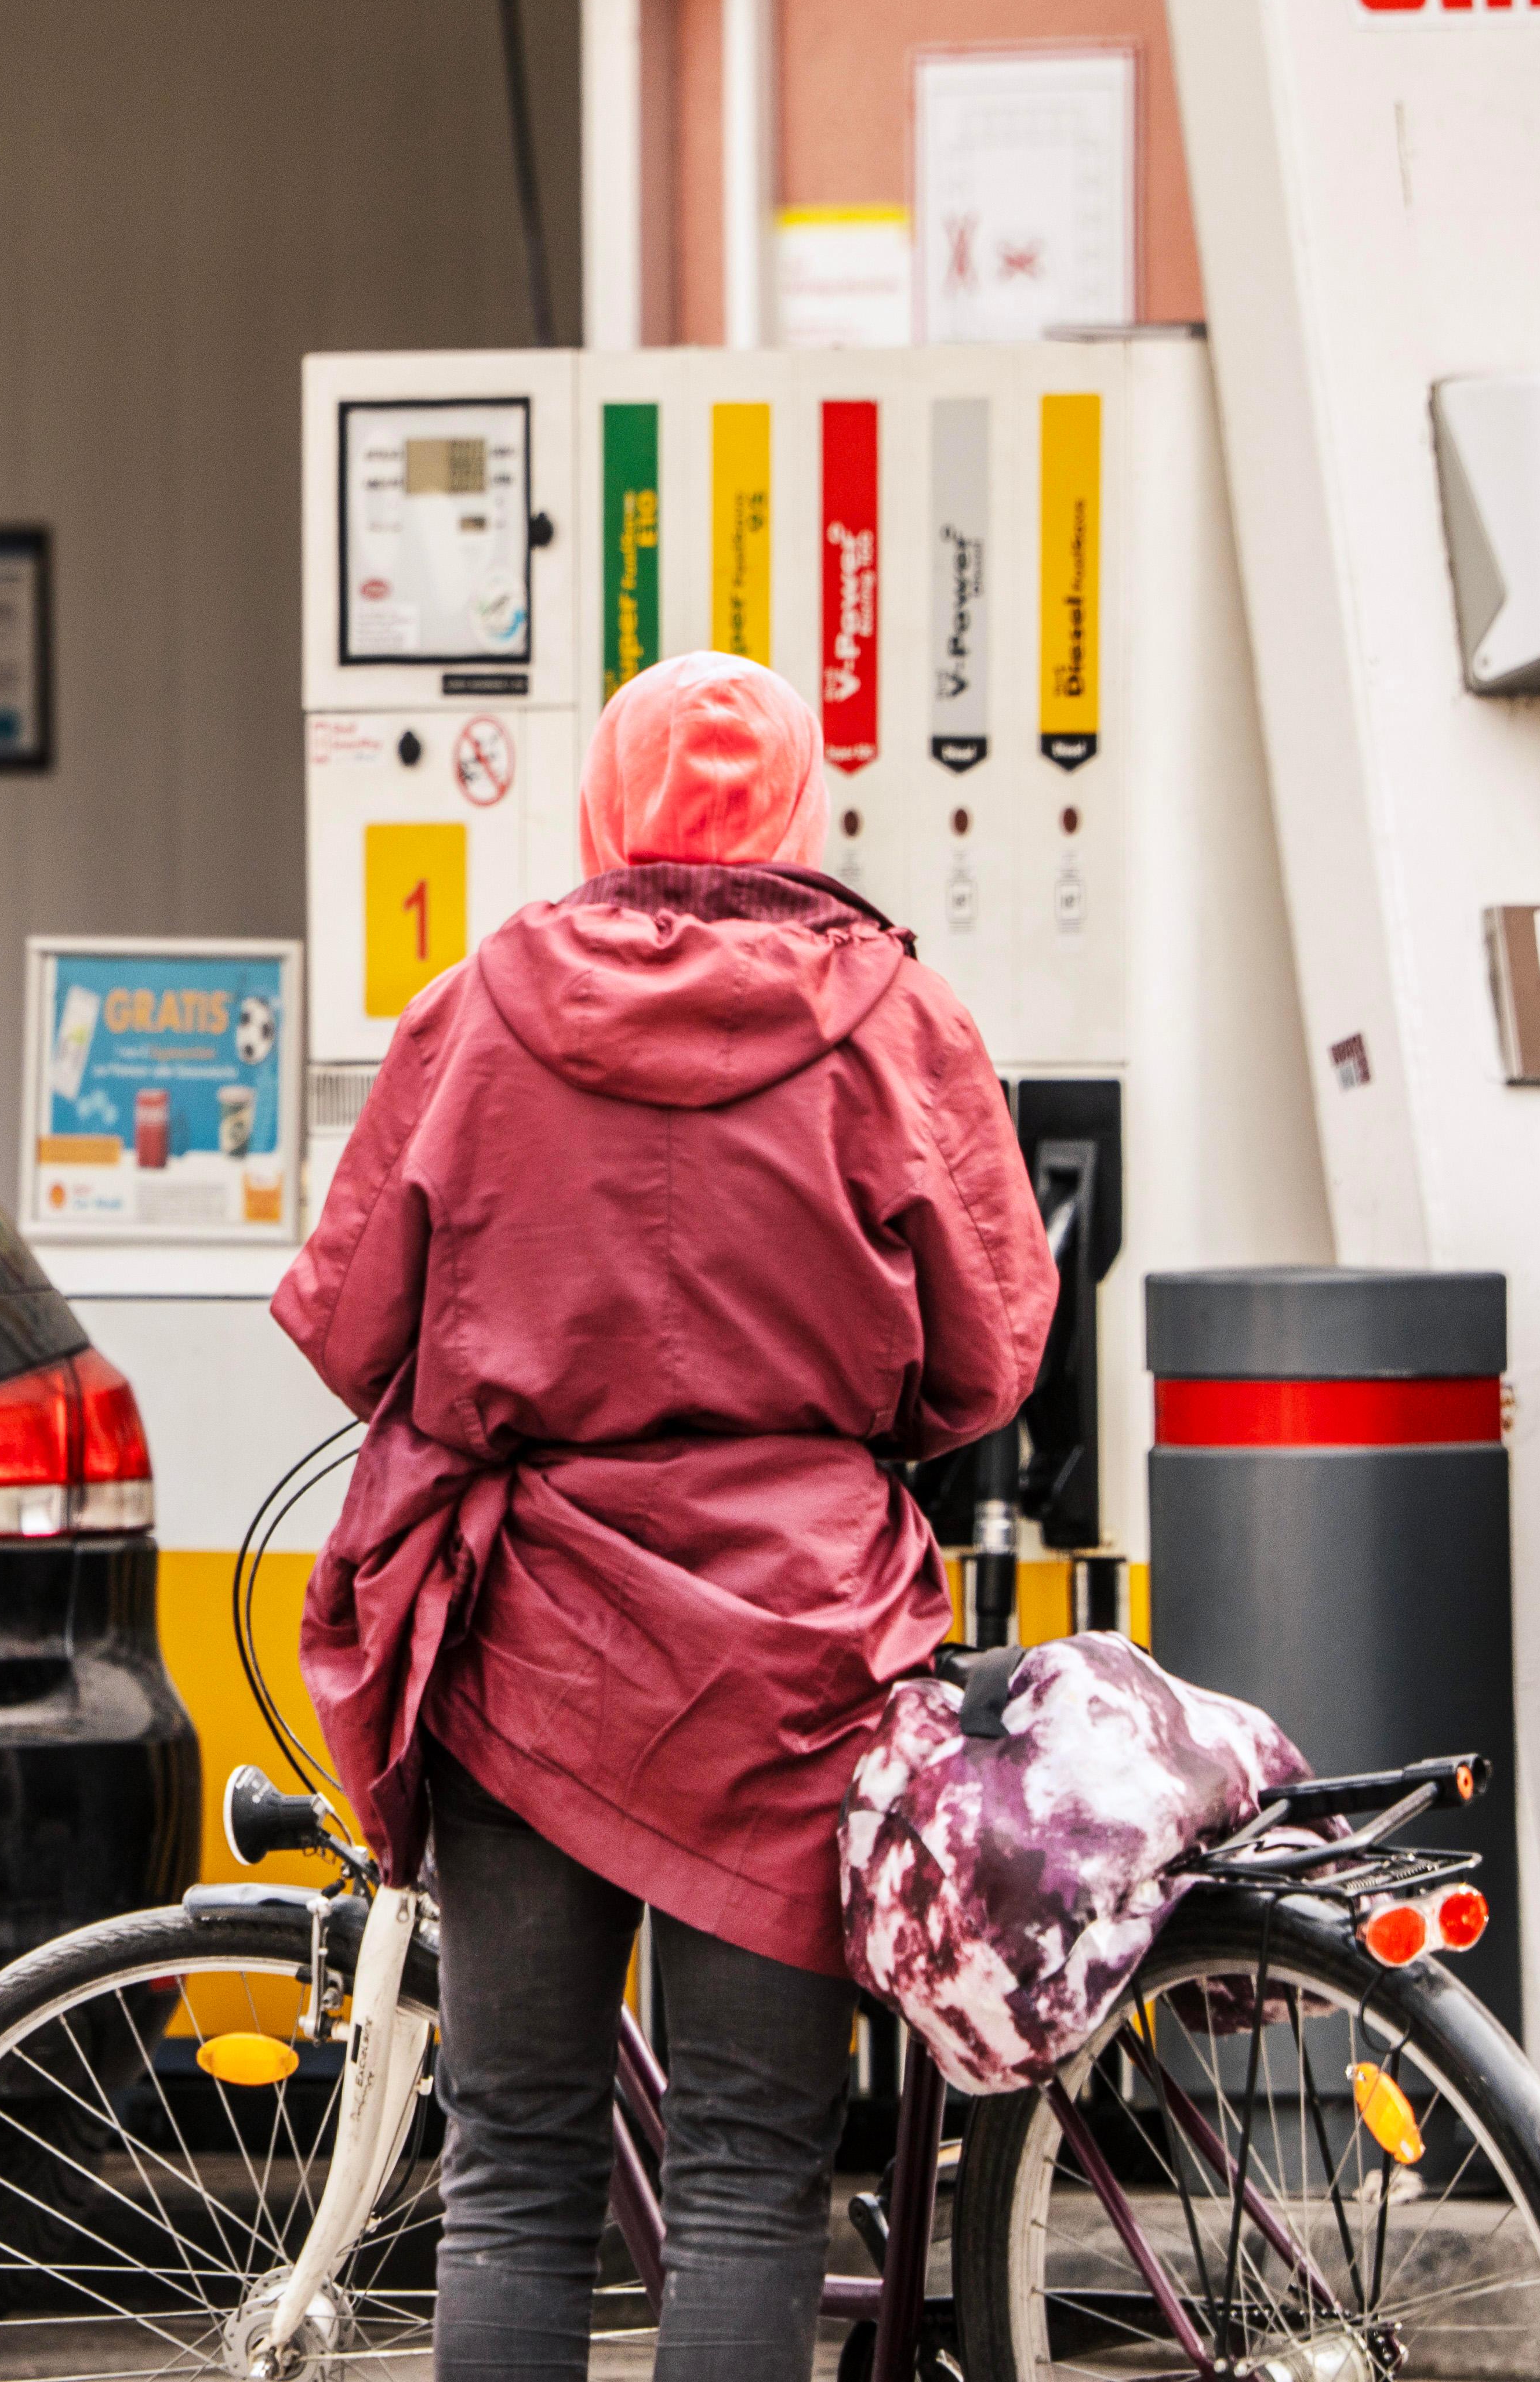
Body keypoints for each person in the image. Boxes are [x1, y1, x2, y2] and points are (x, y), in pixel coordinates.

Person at [274, 650, 1058, 2382]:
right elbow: (989, 1357)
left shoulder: (477, 1008)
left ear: (603, 804)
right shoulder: (899, 1023)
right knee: (750, 2180)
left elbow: (349, 1327)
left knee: (514, 2175)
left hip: (523, 1639)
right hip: (791, 1658)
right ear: (798, 809)